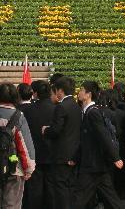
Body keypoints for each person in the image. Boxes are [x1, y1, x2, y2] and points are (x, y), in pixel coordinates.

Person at [72, 81, 124, 209]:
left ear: (88, 94)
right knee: (111, 199)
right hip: (97, 165)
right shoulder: (88, 111)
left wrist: (115, 157)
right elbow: (86, 139)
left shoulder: (92, 112)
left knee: (78, 198)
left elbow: (104, 135)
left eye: (82, 90)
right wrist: (75, 158)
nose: (79, 92)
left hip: (92, 164)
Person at [42, 76, 81, 209]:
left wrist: (46, 130)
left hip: (61, 154)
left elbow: (56, 130)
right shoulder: (76, 106)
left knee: (60, 187)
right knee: (70, 186)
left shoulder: (61, 107)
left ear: (60, 90)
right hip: (74, 152)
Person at [22, 80, 54, 209]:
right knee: (51, 187)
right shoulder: (56, 108)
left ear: (35, 93)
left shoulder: (28, 110)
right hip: (53, 153)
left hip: (33, 153)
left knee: (35, 188)